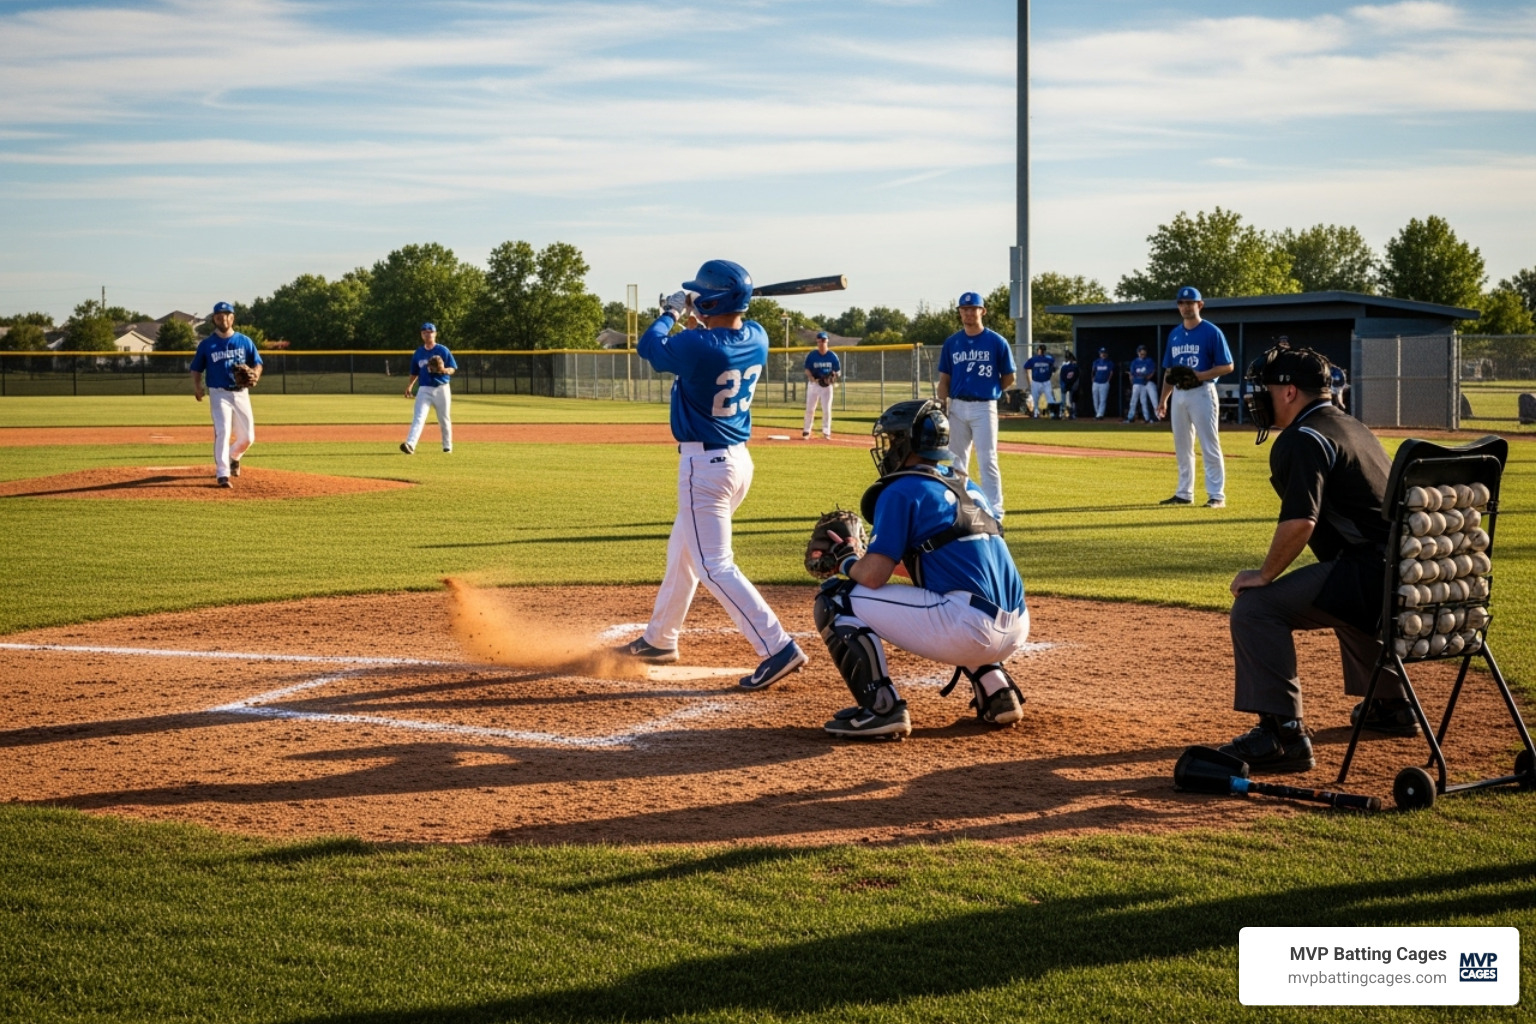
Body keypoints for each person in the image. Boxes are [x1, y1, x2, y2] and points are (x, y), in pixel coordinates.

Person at [1212, 346, 1410, 773]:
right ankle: (1391, 705)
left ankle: (1282, 735)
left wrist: (1264, 575)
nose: (1257, 398)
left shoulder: (1303, 438)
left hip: (1372, 573)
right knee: (1339, 592)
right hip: (1409, 573)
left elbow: (1302, 521)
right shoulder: (1351, 425)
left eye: (1264, 388)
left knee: (1255, 608)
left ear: (1288, 391)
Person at [617, 260, 808, 690]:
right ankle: (660, 638)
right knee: (683, 552)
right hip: (737, 462)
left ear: (714, 300)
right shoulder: (757, 336)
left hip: (704, 467)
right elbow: (730, 323)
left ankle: (777, 647)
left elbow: (649, 347)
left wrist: (671, 311)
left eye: (702, 294)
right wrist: (701, 308)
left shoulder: (699, 346)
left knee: (712, 564)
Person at [813, 399, 1029, 739]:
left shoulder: (902, 489)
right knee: (955, 596)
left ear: (907, 443)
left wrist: (847, 560)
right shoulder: (968, 486)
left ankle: (881, 709)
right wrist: (866, 559)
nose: (886, 448)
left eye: (892, 440)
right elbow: (941, 563)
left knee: (836, 600)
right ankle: (996, 690)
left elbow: (872, 577)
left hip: (969, 628)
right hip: (1017, 628)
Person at [936, 291, 1016, 520]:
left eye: (973, 308)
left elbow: (1009, 377)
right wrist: (942, 403)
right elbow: (944, 380)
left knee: (987, 459)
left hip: (984, 406)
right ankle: (961, 506)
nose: (969, 313)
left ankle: (996, 512)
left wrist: (992, 390)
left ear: (983, 311)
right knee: (955, 459)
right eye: (964, 309)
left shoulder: (996, 341)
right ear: (960, 312)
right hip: (958, 406)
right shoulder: (952, 343)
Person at [1159, 286, 1234, 508]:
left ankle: (1217, 495)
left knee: (1209, 444)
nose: (1185, 306)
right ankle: (1184, 493)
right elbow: (1169, 372)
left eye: (1189, 302)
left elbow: (1228, 366)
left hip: (1203, 392)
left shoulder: (1212, 332)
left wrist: (1202, 374)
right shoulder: (1174, 334)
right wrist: (1163, 399)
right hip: (1179, 394)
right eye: (1181, 303)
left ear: (1199, 305)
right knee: (1182, 446)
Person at [189, 301, 261, 488]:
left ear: (232, 318)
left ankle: (233, 456)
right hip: (219, 393)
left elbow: (258, 363)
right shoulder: (207, 344)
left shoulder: (244, 341)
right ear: (214, 319)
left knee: (248, 438)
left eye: (227, 315)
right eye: (219, 316)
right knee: (223, 431)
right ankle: (222, 473)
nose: (223, 318)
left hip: (241, 394)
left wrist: (256, 375)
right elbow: (196, 368)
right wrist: (197, 387)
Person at [401, 322, 457, 454]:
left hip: (442, 388)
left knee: (444, 418)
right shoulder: (418, 353)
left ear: (435, 334)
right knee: (419, 417)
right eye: (424, 332)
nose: (427, 333)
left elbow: (453, 369)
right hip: (424, 389)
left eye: (430, 331)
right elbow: (414, 372)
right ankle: (410, 444)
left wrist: (444, 370)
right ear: (421, 334)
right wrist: (410, 385)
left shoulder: (443, 350)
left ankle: (447, 447)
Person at [802, 331, 840, 440]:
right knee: (810, 408)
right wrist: (811, 377)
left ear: (827, 341)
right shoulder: (812, 355)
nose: (822, 342)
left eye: (824, 340)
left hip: (826, 386)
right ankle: (806, 430)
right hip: (814, 384)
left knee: (826, 409)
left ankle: (826, 432)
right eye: (820, 340)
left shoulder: (832, 356)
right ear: (817, 341)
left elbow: (838, 371)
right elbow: (807, 369)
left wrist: (833, 376)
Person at [1021, 343, 1054, 420]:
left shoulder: (1048, 359)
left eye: (1041, 350)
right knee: (1035, 399)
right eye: (1040, 349)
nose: (1040, 351)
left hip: (1046, 382)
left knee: (1049, 398)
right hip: (1036, 382)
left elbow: (1052, 367)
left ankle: (1052, 413)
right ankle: (1036, 413)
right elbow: (1026, 367)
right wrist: (1029, 378)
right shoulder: (1034, 359)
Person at [1126, 344, 1159, 423]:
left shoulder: (1149, 361)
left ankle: (1147, 418)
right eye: (1141, 353)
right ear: (1138, 353)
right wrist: (1132, 383)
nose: (1142, 355)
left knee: (1144, 401)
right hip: (1137, 383)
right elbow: (1131, 374)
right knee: (1133, 401)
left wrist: (1147, 377)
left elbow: (1152, 371)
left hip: (1145, 383)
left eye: (1144, 353)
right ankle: (1130, 417)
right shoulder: (1135, 362)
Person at [1090, 346, 1115, 419]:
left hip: (1104, 382)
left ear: (1107, 354)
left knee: (1103, 399)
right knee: (1095, 398)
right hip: (1096, 382)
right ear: (1099, 354)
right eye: (1102, 353)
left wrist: (1108, 381)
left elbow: (1111, 372)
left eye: (1104, 353)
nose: (1103, 354)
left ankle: (1100, 414)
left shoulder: (1109, 362)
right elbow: (1093, 371)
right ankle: (1097, 413)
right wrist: (1092, 379)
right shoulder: (1096, 362)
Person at [1057, 351, 1081, 420]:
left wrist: (1065, 385)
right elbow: (1076, 377)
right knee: (1069, 400)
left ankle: (1064, 414)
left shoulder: (1066, 366)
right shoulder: (1073, 367)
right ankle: (1068, 414)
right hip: (1069, 384)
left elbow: (1062, 378)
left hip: (1067, 384)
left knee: (1068, 400)